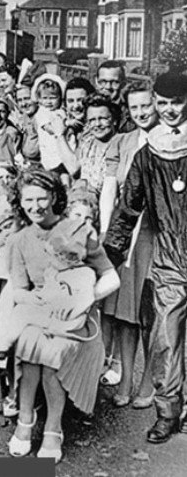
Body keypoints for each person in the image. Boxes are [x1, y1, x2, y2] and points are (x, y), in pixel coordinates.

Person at [0, 170, 119, 462]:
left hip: (77, 319)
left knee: (50, 352)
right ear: (19, 201)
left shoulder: (78, 230)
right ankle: (25, 419)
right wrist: (43, 301)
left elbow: (111, 277)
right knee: (29, 344)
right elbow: (19, 292)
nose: (36, 206)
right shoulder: (18, 241)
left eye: (42, 198)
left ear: (55, 197)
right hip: (39, 313)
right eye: (29, 199)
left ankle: (53, 428)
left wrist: (83, 298)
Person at [104, 72, 187, 444]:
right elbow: (127, 209)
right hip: (169, 257)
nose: (170, 110)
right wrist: (109, 256)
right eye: (164, 103)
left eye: (178, 103)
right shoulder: (147, 153)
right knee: (166, 337)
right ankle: (168, 413)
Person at [99, 82, 158, 405]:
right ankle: (125, 380)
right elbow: (110, 192)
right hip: (124, 235)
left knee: (147, 313)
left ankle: (148, 381)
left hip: (155, 236)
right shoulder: (123, 142)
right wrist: (110, 238)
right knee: (122, 312)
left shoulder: (172, 140)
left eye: (146, 106)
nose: (141, 113)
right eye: (134, 108)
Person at [0, 217, 104, 361]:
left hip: (70, 321)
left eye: (55, 257)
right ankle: (5, 346)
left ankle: (3, 346)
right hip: (53, 313)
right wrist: (41, 298)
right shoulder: (55, 272)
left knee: (23, 314)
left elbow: (87, 298)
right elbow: (50, 291)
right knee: (21, 310)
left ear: (69, 259)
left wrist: (70, 308)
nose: (51, 261)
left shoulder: (83, 274)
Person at [95, 60, 134, 133]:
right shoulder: (87, 109)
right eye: (103, 81)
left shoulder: (130, 113)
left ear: (123, 84)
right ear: (96, 82)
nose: (108, 87)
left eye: (114, 82)